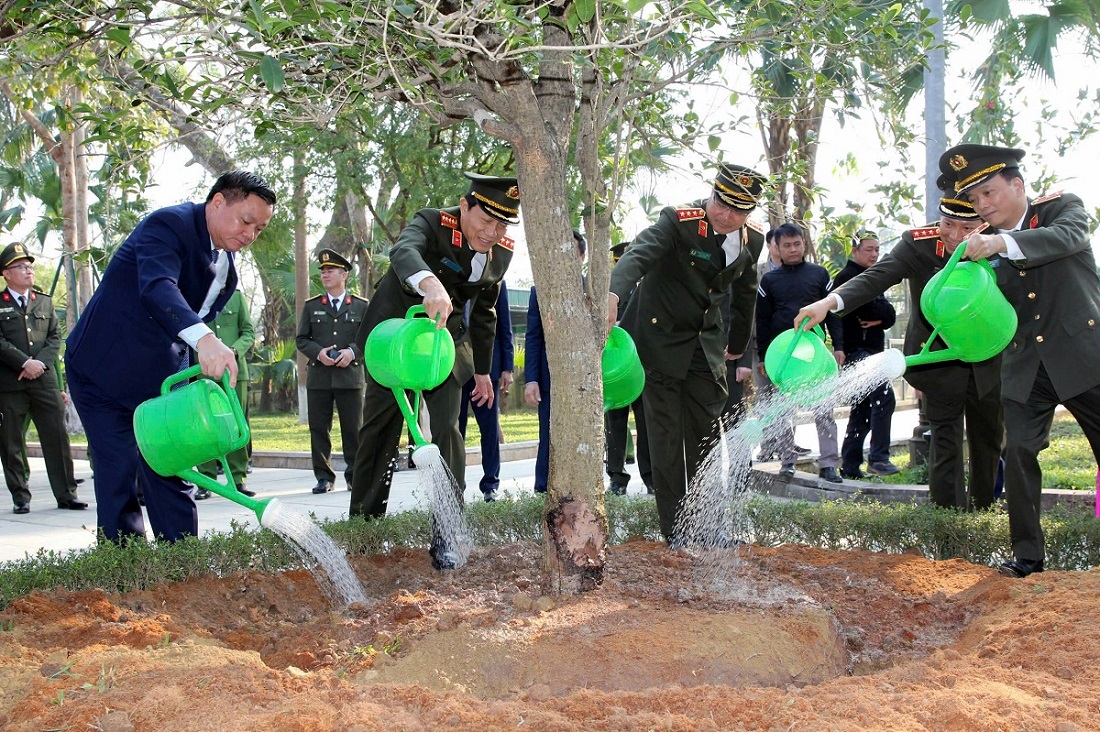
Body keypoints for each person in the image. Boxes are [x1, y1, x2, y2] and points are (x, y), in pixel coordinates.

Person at [66, 171, 276, 543]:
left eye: (259, 230)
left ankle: (182, 568)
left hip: (161, 378)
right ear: (217, 202)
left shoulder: (226, 267)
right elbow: (157, 288)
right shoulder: (169, 225)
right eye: (247, 221)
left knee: (173, 466)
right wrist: (206, 339)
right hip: (103, 371)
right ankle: (125, 575)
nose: (250, 235)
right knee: (119, 472)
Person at [941, 143, 1100, 578]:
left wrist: (1001, 244)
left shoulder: (1060, 209)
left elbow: (1069, 238)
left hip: (1084, 356)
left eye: (989, 193)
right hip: (1026, 364)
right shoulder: (977, 249)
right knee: (1021, 453)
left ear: (1017, 185)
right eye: (974, 200)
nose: (982, 205)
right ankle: (1027, 559)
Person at [796, 187, 1002, 511]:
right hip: (939, 359)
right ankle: (948, 528)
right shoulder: (919, 244)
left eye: (967, 228)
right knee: (945, 441)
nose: (955, 236)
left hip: (990, 357)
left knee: (988, 440)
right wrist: (828, 302)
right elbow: (876, 277)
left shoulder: (1000, 241)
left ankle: (981, 514)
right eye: (948, 224)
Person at [608, 164, 767, 541]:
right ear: (712, 194)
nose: (726, 215)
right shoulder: (678, 221)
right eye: (721, 203)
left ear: (750, 212)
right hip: (659, 345)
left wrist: (739, 345)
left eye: (738, 210)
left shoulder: (753, 239)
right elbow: (639, 256)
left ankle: (708, 526)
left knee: (707, 438)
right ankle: (676, 530)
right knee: (664, 439)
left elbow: (745, 295)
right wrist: (613, 293)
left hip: (705, 348)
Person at [350, 173, 519, 526]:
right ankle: (364, 527)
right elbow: (403, 251)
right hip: (395, 339)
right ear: (464, 206)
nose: (492, 233)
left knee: (447, 429)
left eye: (502, 225)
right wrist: (430, 284)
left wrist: (483, 370)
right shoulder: (432, 222)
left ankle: (449, 529)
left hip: (444, 342)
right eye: (486, 220)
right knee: (381, 429)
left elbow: (486, 311)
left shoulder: (501, 252)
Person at [755, 222, 844, 483]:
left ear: (804, 244)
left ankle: (828, 464)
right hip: (783, 356)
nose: (792, 249)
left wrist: (838, 347)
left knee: (824, 408)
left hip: (815, 353)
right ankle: (787, 461)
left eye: (796, 244)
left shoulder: (819, 274)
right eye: (786, 245)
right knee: (783, 410)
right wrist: (763, 357)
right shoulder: (769, 280)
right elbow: (762, 320)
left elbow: (835, 314)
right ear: (777, 248)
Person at [0, 243, 85, 514]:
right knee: (11, 442)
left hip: (44, 381)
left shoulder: (44, 301)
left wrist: (40, 365)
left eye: (30, 266)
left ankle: (66, 494)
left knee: (57, 438)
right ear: (6, 274)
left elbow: (54, 338)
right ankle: (20, 496)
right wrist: (24, 362)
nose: (28, 271)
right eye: (21, 267)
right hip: (11, 384)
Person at [296, 249, 369, 494]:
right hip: (320, 377)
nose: (325, 275)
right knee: (318, 429)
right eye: (323, 271)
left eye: (331, 271)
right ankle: (324, 477)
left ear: (344, 274)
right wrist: (319, 353)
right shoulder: (312, 306)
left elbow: (368, 338)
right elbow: (302, 339)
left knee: (354, 430)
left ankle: (355, 475)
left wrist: (352, 352)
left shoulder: (361, 306)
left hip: (350, 377)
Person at [832, 232, 898, 478]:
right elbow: (867, 307)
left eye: (876, 250)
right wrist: (880, 313)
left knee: (861, 410)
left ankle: (849, 465)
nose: (873, 254)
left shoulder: (873, 277)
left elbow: (889, 314)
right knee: (885, 399)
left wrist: (881, 316)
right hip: (856, 352)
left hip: (872, 351)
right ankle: (879, 458)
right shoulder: (847, 277)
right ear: (855, 250)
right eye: (868, 249)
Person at [525, 231, 587, 495]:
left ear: (582, 257)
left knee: (582, 439)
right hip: (550, 381)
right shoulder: (540, 290)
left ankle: (581, 492)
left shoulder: (593, 289)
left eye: (571, 252)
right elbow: (533, 337)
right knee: (548, 439)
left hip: (584, 383)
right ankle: (543, 492)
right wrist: (531, 379)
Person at [195, 288, 256, 499]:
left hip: (234, 372)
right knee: (204, 427)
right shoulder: (195, 294)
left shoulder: (237, 296)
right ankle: (207, 481)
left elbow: (248, 331)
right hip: (203, 372)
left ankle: (238, 479)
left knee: (236, 424)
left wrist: (234, 351)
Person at [603, 240, 652, 496]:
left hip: (644, 366)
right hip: (616, 367)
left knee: (647, 424)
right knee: (614, 425)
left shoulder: (650, 287)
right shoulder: (608, 288)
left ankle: (651, 477)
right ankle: (617, 477)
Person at [459, 282, 514, 502]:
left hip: (488, 367)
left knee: (489, 429)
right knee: (455, 430)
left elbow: (504, 324)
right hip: (455, 366)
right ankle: (455, 482)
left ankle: (490, 484)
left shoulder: (495, 279)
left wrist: (507, 367)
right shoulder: (454, 274)